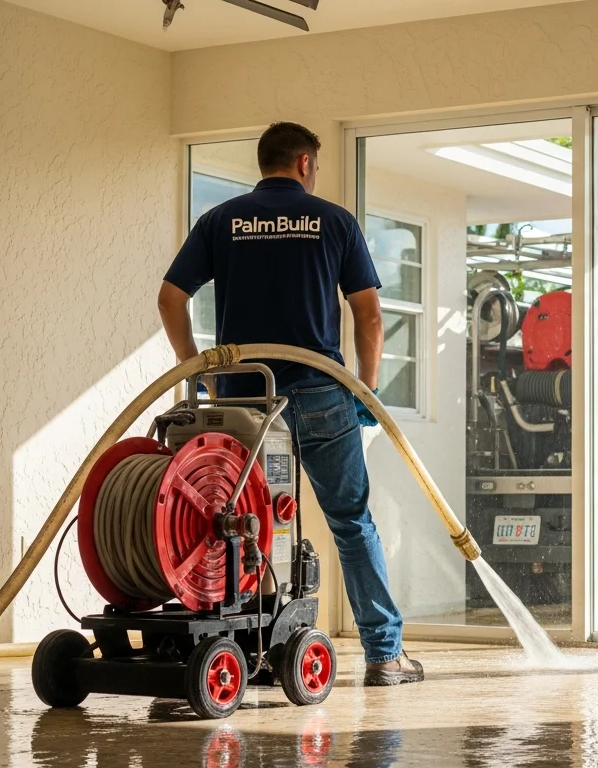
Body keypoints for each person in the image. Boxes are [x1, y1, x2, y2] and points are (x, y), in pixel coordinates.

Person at [157, 122, 423, 686]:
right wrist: (364, 392)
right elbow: (370, 315)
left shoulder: (221, 220)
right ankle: (383, 656)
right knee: (351, 523)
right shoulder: (334, 222)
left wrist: (200, 371)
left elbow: (171, 298)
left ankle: (241, 639)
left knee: (234, 523)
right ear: (304, 162)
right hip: (320, 392)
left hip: (246, 402)